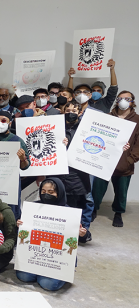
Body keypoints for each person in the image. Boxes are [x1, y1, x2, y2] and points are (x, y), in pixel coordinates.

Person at [15, 178, 88, 291]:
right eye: (43, 192)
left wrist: (81, 233)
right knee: (24, 276)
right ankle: (41, 273)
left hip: (56, 259)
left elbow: (79, 235)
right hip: (36, 255)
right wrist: (20, 224)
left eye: (51, 192)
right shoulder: (33, 208)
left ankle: (63, 273)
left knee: (48, 284)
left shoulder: (69, 212)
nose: (46, 194)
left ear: (59, 193)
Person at [92, 91, 138, 227]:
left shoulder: (137, 120)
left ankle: (118, 213)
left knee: (121, 191)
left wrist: (131, 159)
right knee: (97, 189)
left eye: (127, 98)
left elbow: (138, 144)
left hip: (124, 163)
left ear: (132, 101)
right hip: (104, 161)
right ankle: (94, 210)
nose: (123, 101)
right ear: (116, 101)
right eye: (120, 98)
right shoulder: (107, 117)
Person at [58, 101, 93, 241]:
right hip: (59, 172)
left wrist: (121, 146)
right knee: (60, 204)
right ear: (63, 111)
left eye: (74, 110)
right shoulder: (57, 127)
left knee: (77, 206)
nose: (71, 112)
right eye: (68, 110)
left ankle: (81, 234)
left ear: (80, 112)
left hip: (78, 175)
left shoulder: (87, 128)